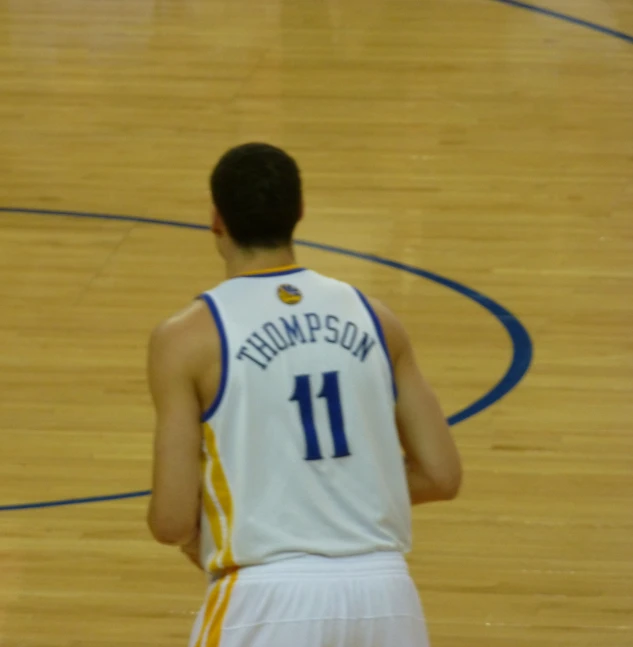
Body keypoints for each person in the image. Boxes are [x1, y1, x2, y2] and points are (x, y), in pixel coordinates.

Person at [146, 142, 462, 647]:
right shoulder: (376, 318)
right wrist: (335, 497)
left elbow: (171, 518)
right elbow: (442, 475)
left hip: (267, 600)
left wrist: (268, 508)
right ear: (299, 212)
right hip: (386, 599)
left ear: (215, 218)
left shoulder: (185, 339)